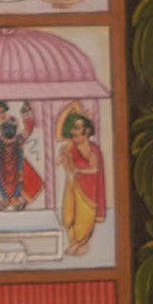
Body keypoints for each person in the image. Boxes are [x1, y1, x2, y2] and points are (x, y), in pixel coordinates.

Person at [57, 108, 105, 252]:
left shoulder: (92, 149)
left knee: (84, 219)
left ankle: (79, 244)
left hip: (88, 190)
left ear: (87, 131)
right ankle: (75, 243)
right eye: (73, 129)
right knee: (69, 217)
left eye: (77, 128)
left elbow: (94, 169)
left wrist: (77, 171)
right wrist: (65, 157)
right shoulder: (71, 147)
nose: (74, 132)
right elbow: (68, 167)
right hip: (73, 185)